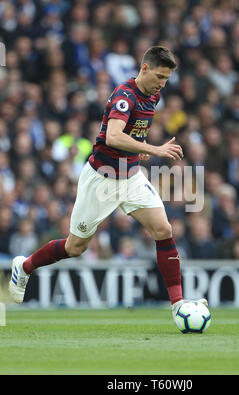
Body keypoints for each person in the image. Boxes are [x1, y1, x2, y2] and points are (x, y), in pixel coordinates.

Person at [8, 46, 207, 324]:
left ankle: (178, 305)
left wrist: (138, 150)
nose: (163, 84)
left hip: (131, 175)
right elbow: (113, 136)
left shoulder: (154, 94)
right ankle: (25, 266)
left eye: (167, 79)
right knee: (76, 247)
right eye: (160, 76)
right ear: (145, 68)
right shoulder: (124, 96)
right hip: (101, 180)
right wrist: (155, 149)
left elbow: (131, 132)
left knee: (163, 229)